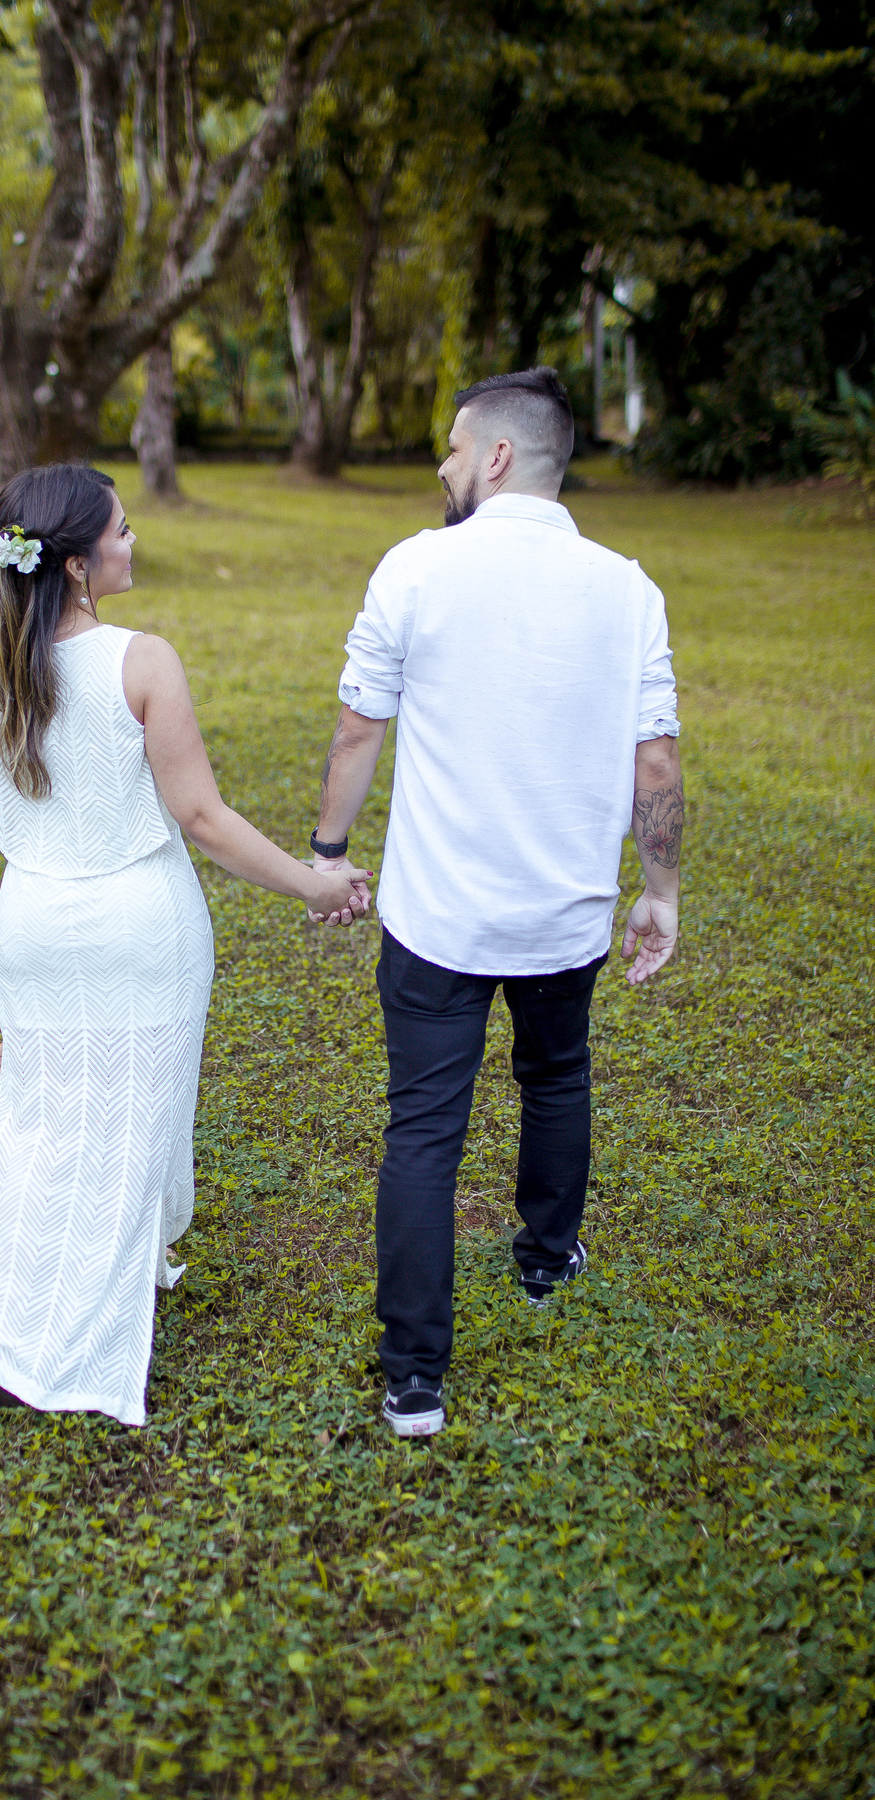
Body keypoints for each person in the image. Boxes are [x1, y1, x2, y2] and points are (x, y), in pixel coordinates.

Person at [0, 463, 368, 1425]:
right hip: (140, 922)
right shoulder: (143, 659)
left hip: (31, 927)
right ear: (80, 566)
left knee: (42, 1122)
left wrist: (50, 846)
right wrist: (316, 883)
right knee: (136, 1116)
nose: (136, 544)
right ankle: (89, 1327)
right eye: (123, 532)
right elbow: (201, 818)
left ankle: (16, 1316)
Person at [307, 368, 683, 1440]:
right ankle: (545, 1264)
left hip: (438, 917)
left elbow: (355, 730)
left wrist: (330, 849)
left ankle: (413, 1377)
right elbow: (654, 761)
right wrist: (659, 892)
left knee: (424, 1128)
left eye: (455, 447)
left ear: (500, 458)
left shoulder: (415, 567)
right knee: (557, 1076)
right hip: (564, 915)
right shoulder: (629, 587)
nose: (443, 464)